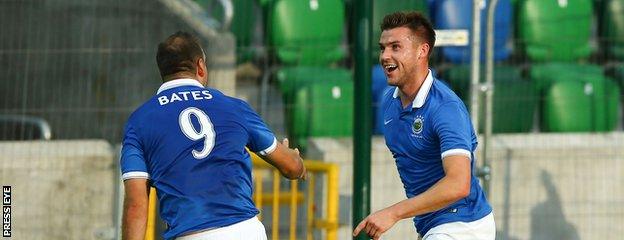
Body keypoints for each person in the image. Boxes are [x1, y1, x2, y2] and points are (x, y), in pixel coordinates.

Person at [120, 31, 306, 240]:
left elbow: (136, 205)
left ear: (162, 71)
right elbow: (291, 167)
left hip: (190, 234)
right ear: (200, 66)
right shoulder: (234, 107)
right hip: (245, 231)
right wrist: (297, 161)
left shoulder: (139, 121)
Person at [353, 12, 494, 240]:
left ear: (422, 51)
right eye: (382, 48)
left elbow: (459, 184)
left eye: (395, 47)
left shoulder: (445, 108)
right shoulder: (389, 102)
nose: (385, 56)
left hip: (464, 224)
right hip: (434, 226)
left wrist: (393, 213)